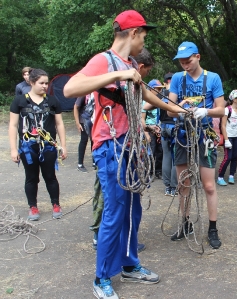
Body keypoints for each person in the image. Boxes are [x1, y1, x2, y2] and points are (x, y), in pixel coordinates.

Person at [63, 10, 184, 299]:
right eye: (143, 34)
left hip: (130, 146)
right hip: (110, 146)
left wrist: (180, 110)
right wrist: (117, 74)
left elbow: (145, 95)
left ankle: (129, 265)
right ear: (133, 33)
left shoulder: (130, 64)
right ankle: (102, 277)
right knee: (115, 212)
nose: (144, 40)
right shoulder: (104, 61)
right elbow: (70, 89)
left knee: (133, 209)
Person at [90, 48, 155, 251]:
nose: (144, 76)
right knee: (110, 200)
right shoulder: (111, 74)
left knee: (127, 202)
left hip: (126, 144)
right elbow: (71, 88)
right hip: (109, 144)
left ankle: (126, 247)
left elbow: (144, 105)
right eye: (147, 72)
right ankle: (98, 234)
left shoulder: (131, 82)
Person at [167, 41, 226, 249]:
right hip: (183, 134)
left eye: (188, 60)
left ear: (198, 57)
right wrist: (180, 108)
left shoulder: (213, 78)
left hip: (205, 135)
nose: (185, 64)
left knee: (209, 185)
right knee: (183, 182)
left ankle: (212, 228)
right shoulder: (177, 79)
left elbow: (222, 109)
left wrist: (206, 112)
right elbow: (169, 111)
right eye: (181, 62)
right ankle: (185, 223)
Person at [9, 68, 67, 221]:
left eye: (46, 83)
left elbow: (59, 124)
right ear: (32, 82)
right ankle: (33, 207)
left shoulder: (53, 101)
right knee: (31, 178)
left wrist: (63, 146)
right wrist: (14, 149)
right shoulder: (20, 101)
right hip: (28, 147)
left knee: (50, 176)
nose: (45, 86)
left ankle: (56, 204)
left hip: (48, 146)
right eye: (41, 83)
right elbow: (13, 126)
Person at [217, 89, 237, 186]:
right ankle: (220, 176)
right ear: (234, 99)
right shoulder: (227, 110)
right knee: (227, 157)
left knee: (235, 157)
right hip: (229, 136)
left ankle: (231, 175)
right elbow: (223, 125)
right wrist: (226, 140)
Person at [141, 79, 163, 178]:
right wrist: (146, 134)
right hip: (149, 129)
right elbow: (142, 118)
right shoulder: (145, 102)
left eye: (160, 89)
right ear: (151, 89)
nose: (160, 91)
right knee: (150, 151)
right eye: (157, 89)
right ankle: (148, 172)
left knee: (160, 151)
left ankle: (158, 171)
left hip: (159, 129)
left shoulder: (160, 100)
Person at [73, 95, 93, 172]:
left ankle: (95, 161)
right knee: (84, 139)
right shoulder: (83, 94)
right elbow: (76, 107)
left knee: (93, 140)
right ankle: (80, 164)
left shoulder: (96, 91)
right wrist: (77, 123)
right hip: (83, 120)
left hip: (93, 120)